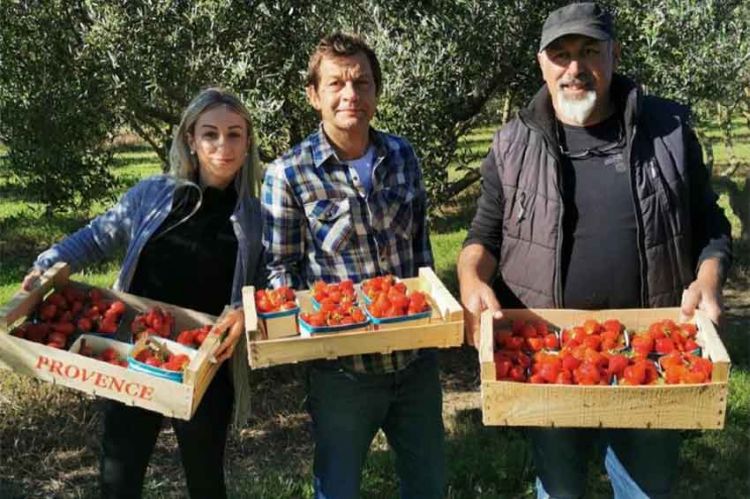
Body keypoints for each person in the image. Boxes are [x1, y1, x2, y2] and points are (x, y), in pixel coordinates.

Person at [457, 3, 732, 498]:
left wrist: (708, 281)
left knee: (646, 491)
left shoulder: (667, 133)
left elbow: (710, 224)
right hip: (547, 362)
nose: (575, 68)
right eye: (560, 54)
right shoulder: (513, 143)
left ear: (614, 54)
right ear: (542, 64)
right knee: (558, 490)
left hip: (651, 360)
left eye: (588, 51)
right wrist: (472, 280)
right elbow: (484, 236)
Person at [22, 87, 265, 498]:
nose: (222, 146)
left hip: (205, 362)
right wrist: (46, 264)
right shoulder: (154, 195)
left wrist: (247, 310)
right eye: (210, 134)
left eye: (234, 134)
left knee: (206, 480)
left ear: (247, 141)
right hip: (134, 352)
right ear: (190, 138)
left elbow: (270, 281)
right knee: (119, 477)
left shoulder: (257, 217)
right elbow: (96, 237)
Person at [262, 33, 444, 499]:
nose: (351, 95)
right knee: (338, 488)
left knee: (428, 485)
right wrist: (306, 333)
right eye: (337, 83)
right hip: (343, 373)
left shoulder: (402, 155)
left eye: (362, 83)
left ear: (376, 93)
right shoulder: (289, 172)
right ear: (314, 95)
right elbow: (280, 270)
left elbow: (421, 254)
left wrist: (435, 323)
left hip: (415, 363)